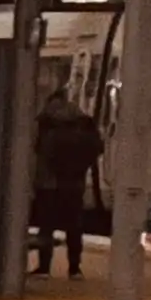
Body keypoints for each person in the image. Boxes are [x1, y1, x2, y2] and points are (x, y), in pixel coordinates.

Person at [37, 93, 104, 281]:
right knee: (74, 226)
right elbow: (98, 148)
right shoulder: (85, 126)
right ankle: (74, 268)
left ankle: (44, 267)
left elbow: (43, 152)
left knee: (46, 226)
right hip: (76, 182)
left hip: (50, 183)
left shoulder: (49, 125)